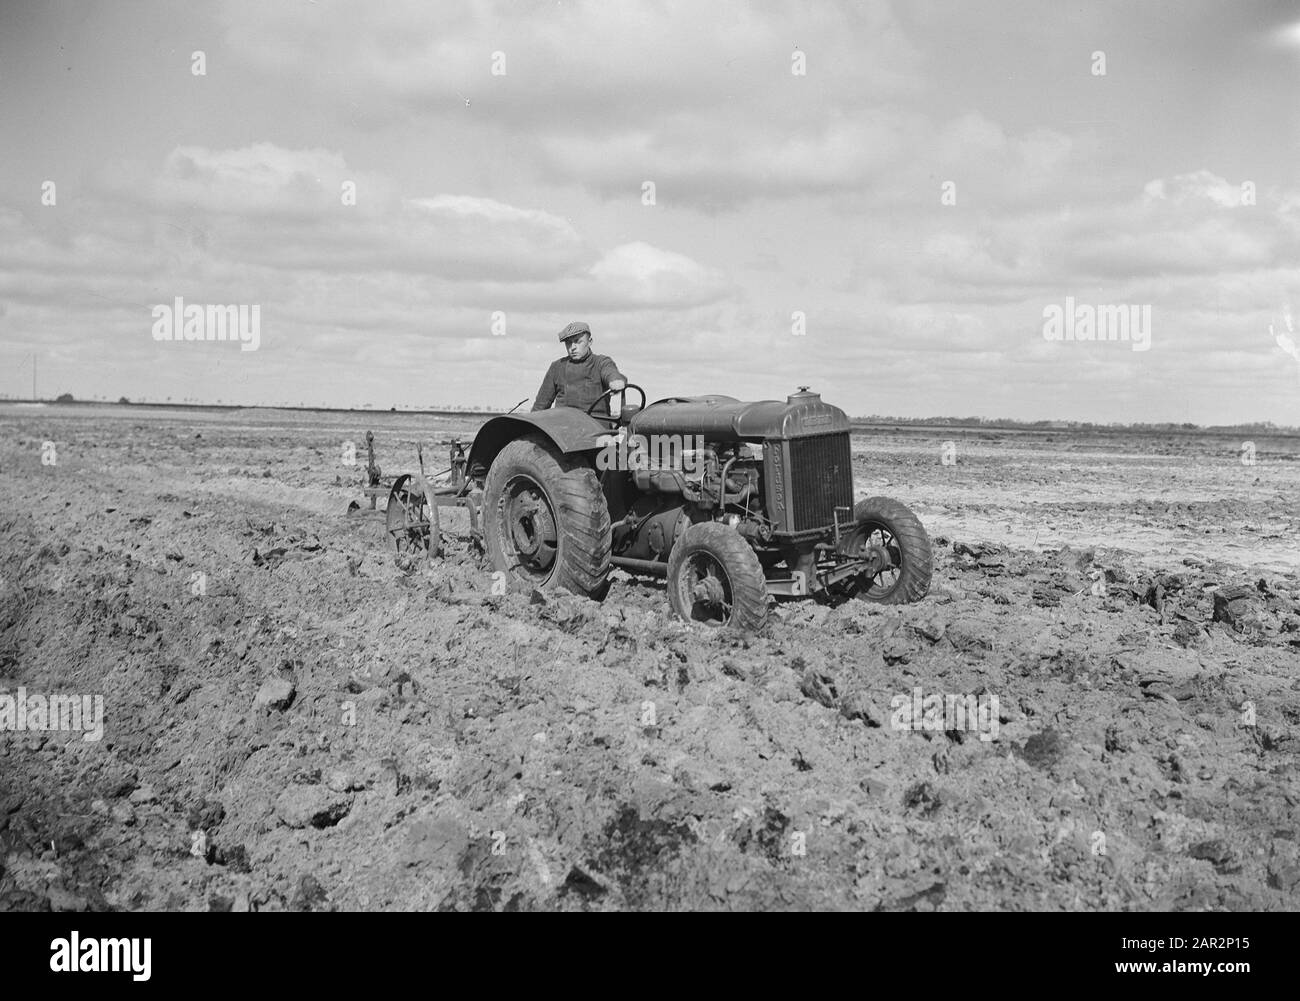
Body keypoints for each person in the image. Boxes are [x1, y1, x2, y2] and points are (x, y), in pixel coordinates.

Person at [532, 321, 626, 415]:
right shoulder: (557, 367)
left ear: (589, 342)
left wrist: (615, 381)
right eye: (568, 343)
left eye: (578, 341)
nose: (572, 347)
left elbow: (611, 373)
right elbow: (540, 405)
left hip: (596, 424)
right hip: (563, 423)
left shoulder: (600, 362)